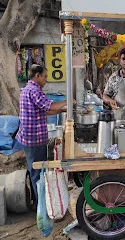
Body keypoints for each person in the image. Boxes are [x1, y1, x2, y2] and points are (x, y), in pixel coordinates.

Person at [17, 64, 76, 203]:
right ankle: (41, 205)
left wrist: (62, 111)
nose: (46, 80)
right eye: (44, 77)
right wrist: (68, 101)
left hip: (29, 138)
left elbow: (45, 110)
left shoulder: (27, 89)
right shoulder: (34, 90)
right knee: (38, 173)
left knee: (35, 171)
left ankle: (37, 201)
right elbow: (50, 106)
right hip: (34, 140)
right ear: (37, 76)